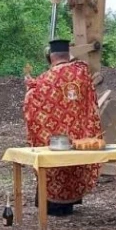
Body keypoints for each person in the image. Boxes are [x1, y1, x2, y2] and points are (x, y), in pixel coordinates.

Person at [23, 39, 102, 216]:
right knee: (74, 165)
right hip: (79, 134)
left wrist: (30, 87)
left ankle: (54, 206)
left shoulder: (46, 78)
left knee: (55, 166)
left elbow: (34, 99)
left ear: (51, 57)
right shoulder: (82, 72)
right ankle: (72, 201)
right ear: (68, 54)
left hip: (57, 137)